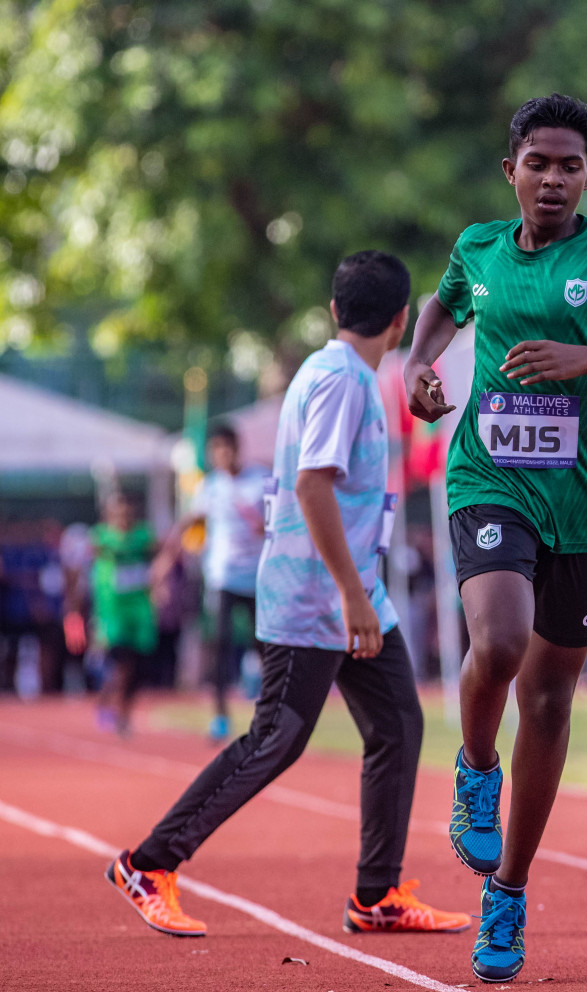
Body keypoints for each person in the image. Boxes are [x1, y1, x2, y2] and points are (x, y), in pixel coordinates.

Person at [106, 251, 468, 940]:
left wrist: (359, 596)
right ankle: (148, 864)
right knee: (276, 739)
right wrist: (350, 597)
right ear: (400, 321)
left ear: (335, 311)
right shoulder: (341, 382)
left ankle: (376, 894)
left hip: (350, 595)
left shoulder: (342, 374)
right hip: (315, 598)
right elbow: (312, 486)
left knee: (397, 726)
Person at [403, 94, 587, 983]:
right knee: (500, 639)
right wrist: (419, 363)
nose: (553, 178)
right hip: (487, 475)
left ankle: (509, 892)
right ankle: (476, 765)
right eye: (538, 163)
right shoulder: (476, 250)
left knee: (553, 703)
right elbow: (442, 309)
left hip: (582, 508)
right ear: (511, 170)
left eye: (570, 165)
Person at [156, 422, 268, 739]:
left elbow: (283, 516)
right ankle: (220, 715)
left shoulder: (260, 479)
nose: (221, 455)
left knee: (264, 644)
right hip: (223, 576)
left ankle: (270, 709)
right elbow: (188, 522)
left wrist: (271, 527)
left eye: (226, 448)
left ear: (237, 448)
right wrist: (165, 561)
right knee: (218, 641)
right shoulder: (210, 487)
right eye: (215, 450)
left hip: (258, 576)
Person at [87, 493, 159, 736]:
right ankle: (117, 712)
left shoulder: (143, 537)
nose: (123, 519)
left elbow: (163, 553)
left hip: (140, 612)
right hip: (112, 613)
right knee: (122, 665)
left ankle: (121, 709)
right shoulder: (101, 538)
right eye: (118, 514)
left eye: (127, 514)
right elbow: (89, 558)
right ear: (109, 516)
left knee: (136, 669)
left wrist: (160, 580)